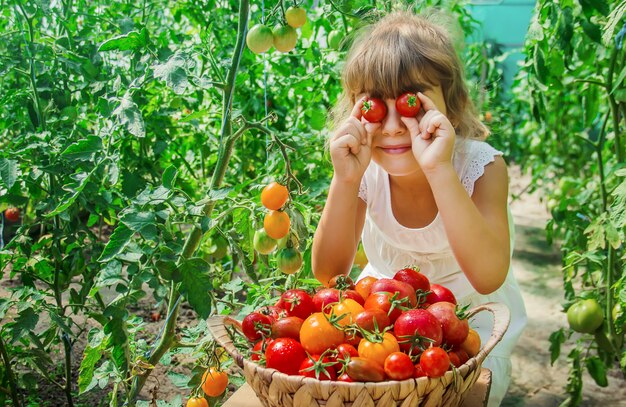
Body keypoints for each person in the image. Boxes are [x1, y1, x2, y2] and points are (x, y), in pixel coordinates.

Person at [311, 10, 527, 406]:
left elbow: (488, 277)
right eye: (374, 104)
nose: (392, 126)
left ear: (452, 104)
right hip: (387, 314)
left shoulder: (480, 167)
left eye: (411, 103)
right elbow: (329, 273)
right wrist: (344, 181)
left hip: (470, 318)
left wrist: (439, 169)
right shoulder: (362, 168)